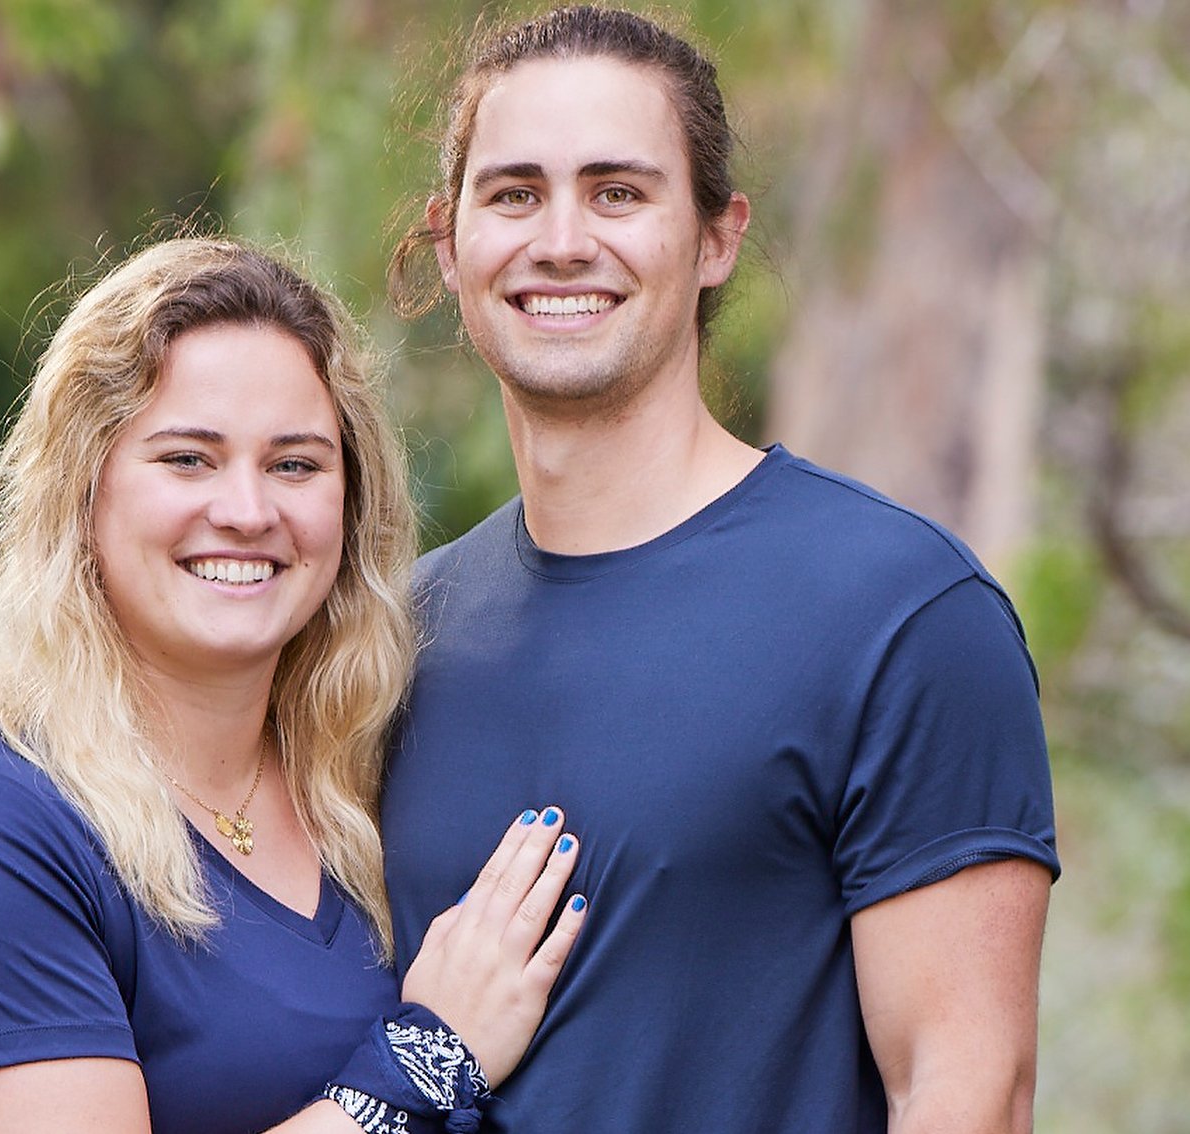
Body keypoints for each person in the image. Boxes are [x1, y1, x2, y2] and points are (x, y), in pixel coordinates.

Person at [380, 7, 1060, 1133]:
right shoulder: (399, 633)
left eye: (616, 191)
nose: (559, 240)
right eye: (512, 193)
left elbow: (964, 1089)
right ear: (450, 247)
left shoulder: (896, 611)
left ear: (714, 238)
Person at [0, 235, 588, 1134]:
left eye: (295, 464)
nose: (246, 511)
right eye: (187, 458)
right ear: (83, 492)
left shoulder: (366, 787)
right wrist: (431, 1056)